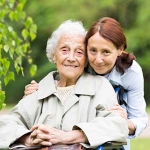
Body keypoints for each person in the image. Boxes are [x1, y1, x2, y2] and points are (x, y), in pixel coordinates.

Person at [0, 20, 128, 149]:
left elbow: (117, 125)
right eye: (64, 50)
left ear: (86, 60)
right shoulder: (39, 90)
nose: (71, 58)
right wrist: (28, 139)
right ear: (54, 56)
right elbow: (5, 125)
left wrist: (67, 136)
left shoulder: (100, 86)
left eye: (79, 52)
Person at [24, 17, 148, 150]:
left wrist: (120, 122)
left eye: (106, 52)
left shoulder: (131, 72)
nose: (97, 60)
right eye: (93, 50)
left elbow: (139, 120)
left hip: (112, 135)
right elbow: (64, 75)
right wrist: (39, 90)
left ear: (120, 50)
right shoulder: (81, 62)